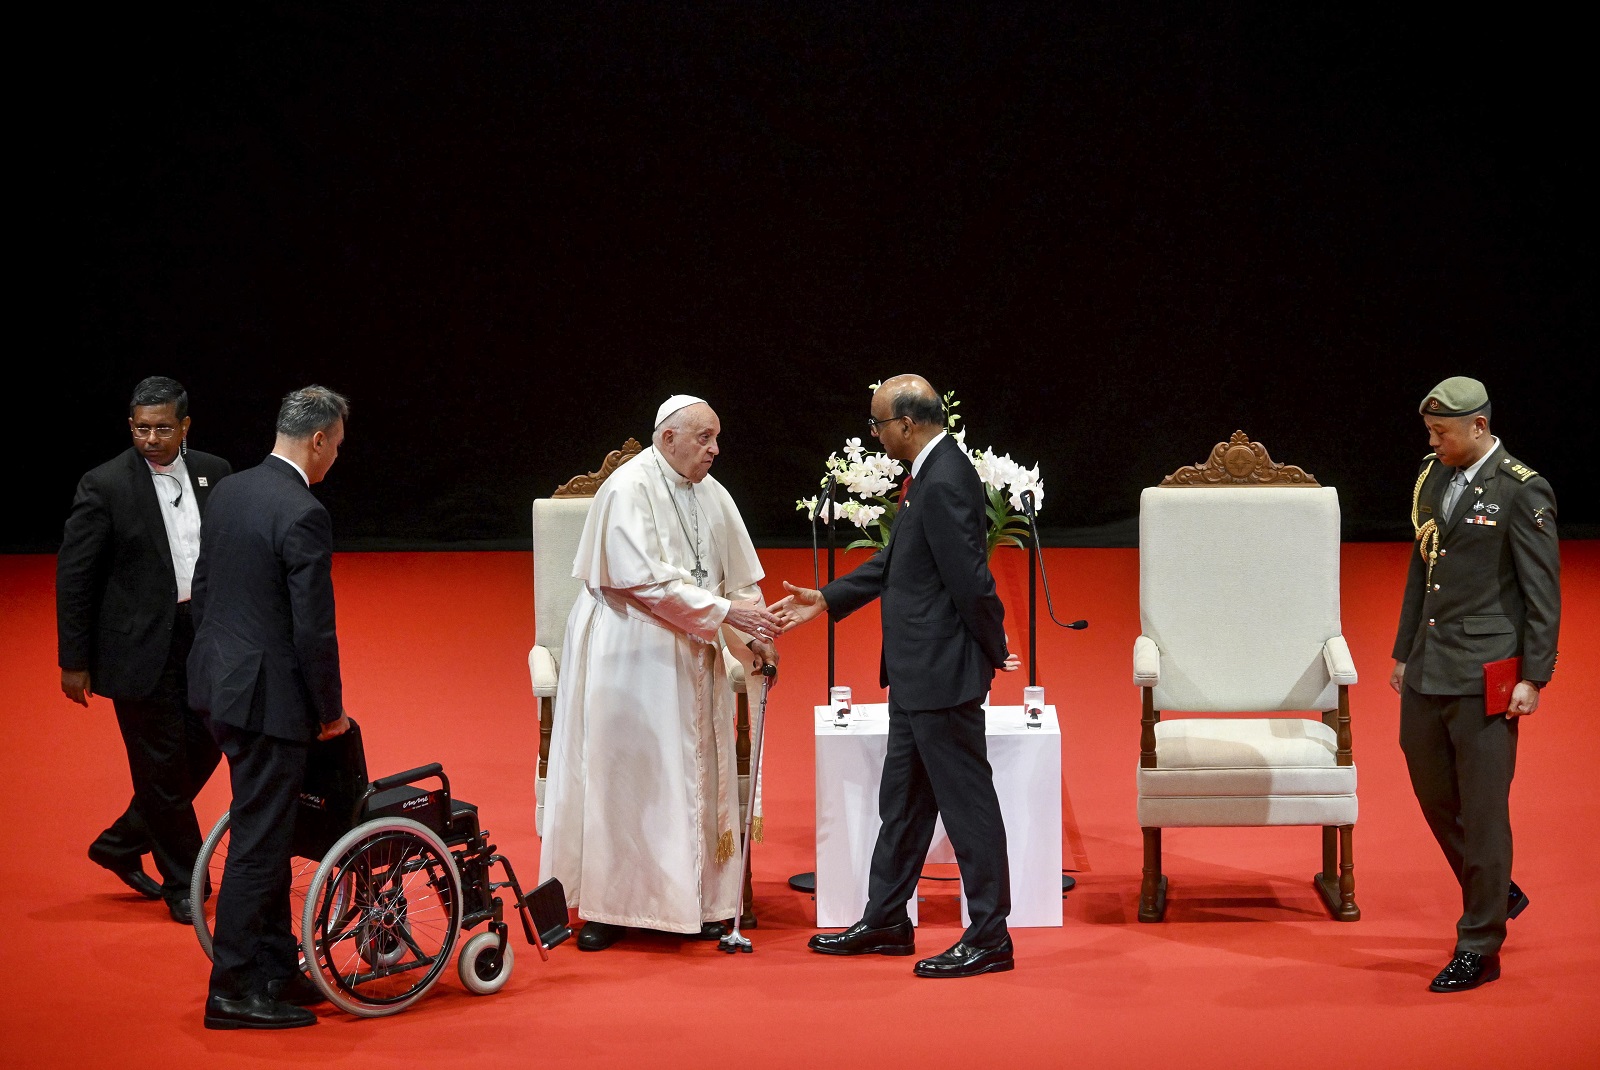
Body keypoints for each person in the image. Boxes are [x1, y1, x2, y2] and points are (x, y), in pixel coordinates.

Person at [775, 374, 1021, 979]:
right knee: (903, 804)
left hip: (942, 674)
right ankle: (885, 918)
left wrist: (994, 647)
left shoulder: (945, 480)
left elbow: (971, 581)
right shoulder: (933, 476)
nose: (876, 434)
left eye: (878, 424)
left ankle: (990, 937)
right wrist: (827, 599)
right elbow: (897, 560)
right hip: (916, 674)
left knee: (968, 810)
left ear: (907, 425)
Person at [538, 394, 782, 952]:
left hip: (693, 648)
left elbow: (739, 581)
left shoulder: (712, 493)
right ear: (667, 438)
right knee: (627, 780)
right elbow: (643, 585)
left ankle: (701, 902)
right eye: (704, 438)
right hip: (631, 651)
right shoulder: (628, 489)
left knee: (692, 778)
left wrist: (756, 638)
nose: (715, 450)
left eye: (717, 438)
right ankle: (610, 908)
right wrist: (726, 615)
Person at [188, 386, 352, 1029]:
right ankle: (231, 988)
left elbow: (203, 589)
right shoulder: (304, 511)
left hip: (221, 686)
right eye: (337, 445)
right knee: (259, 845)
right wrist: (330, 711)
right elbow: (314, 628)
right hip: (268, 702)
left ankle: (278, 966)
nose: (336, 456)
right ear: (317, 441)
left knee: (268, 830)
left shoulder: (229, 490)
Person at [1390, 375, 1560, 993]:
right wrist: (1404, 651)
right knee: (1432, 790)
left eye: (1442, 433)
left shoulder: (1522, 491)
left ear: (1479, 428)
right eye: (1429, 432)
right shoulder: (1434, 476)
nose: (1433, 442)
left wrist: (1534, 675)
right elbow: (1423, 568)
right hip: (1431, 663)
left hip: (1488, 670)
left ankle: (1480, 943)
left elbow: (1542, 594)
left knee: (1485, 813)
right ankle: (1496, 887)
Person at [56, 376, 230, 924]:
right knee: (159, 769)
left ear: (184, 426)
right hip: (135, 649)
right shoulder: (104, 484)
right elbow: (75, 576)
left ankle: (120, 842)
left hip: (202, 636)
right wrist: (74, 660)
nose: (150, 438)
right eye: (140, 428)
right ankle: (184, 881)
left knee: (209, 744)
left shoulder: (215, 473)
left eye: (161, 428)